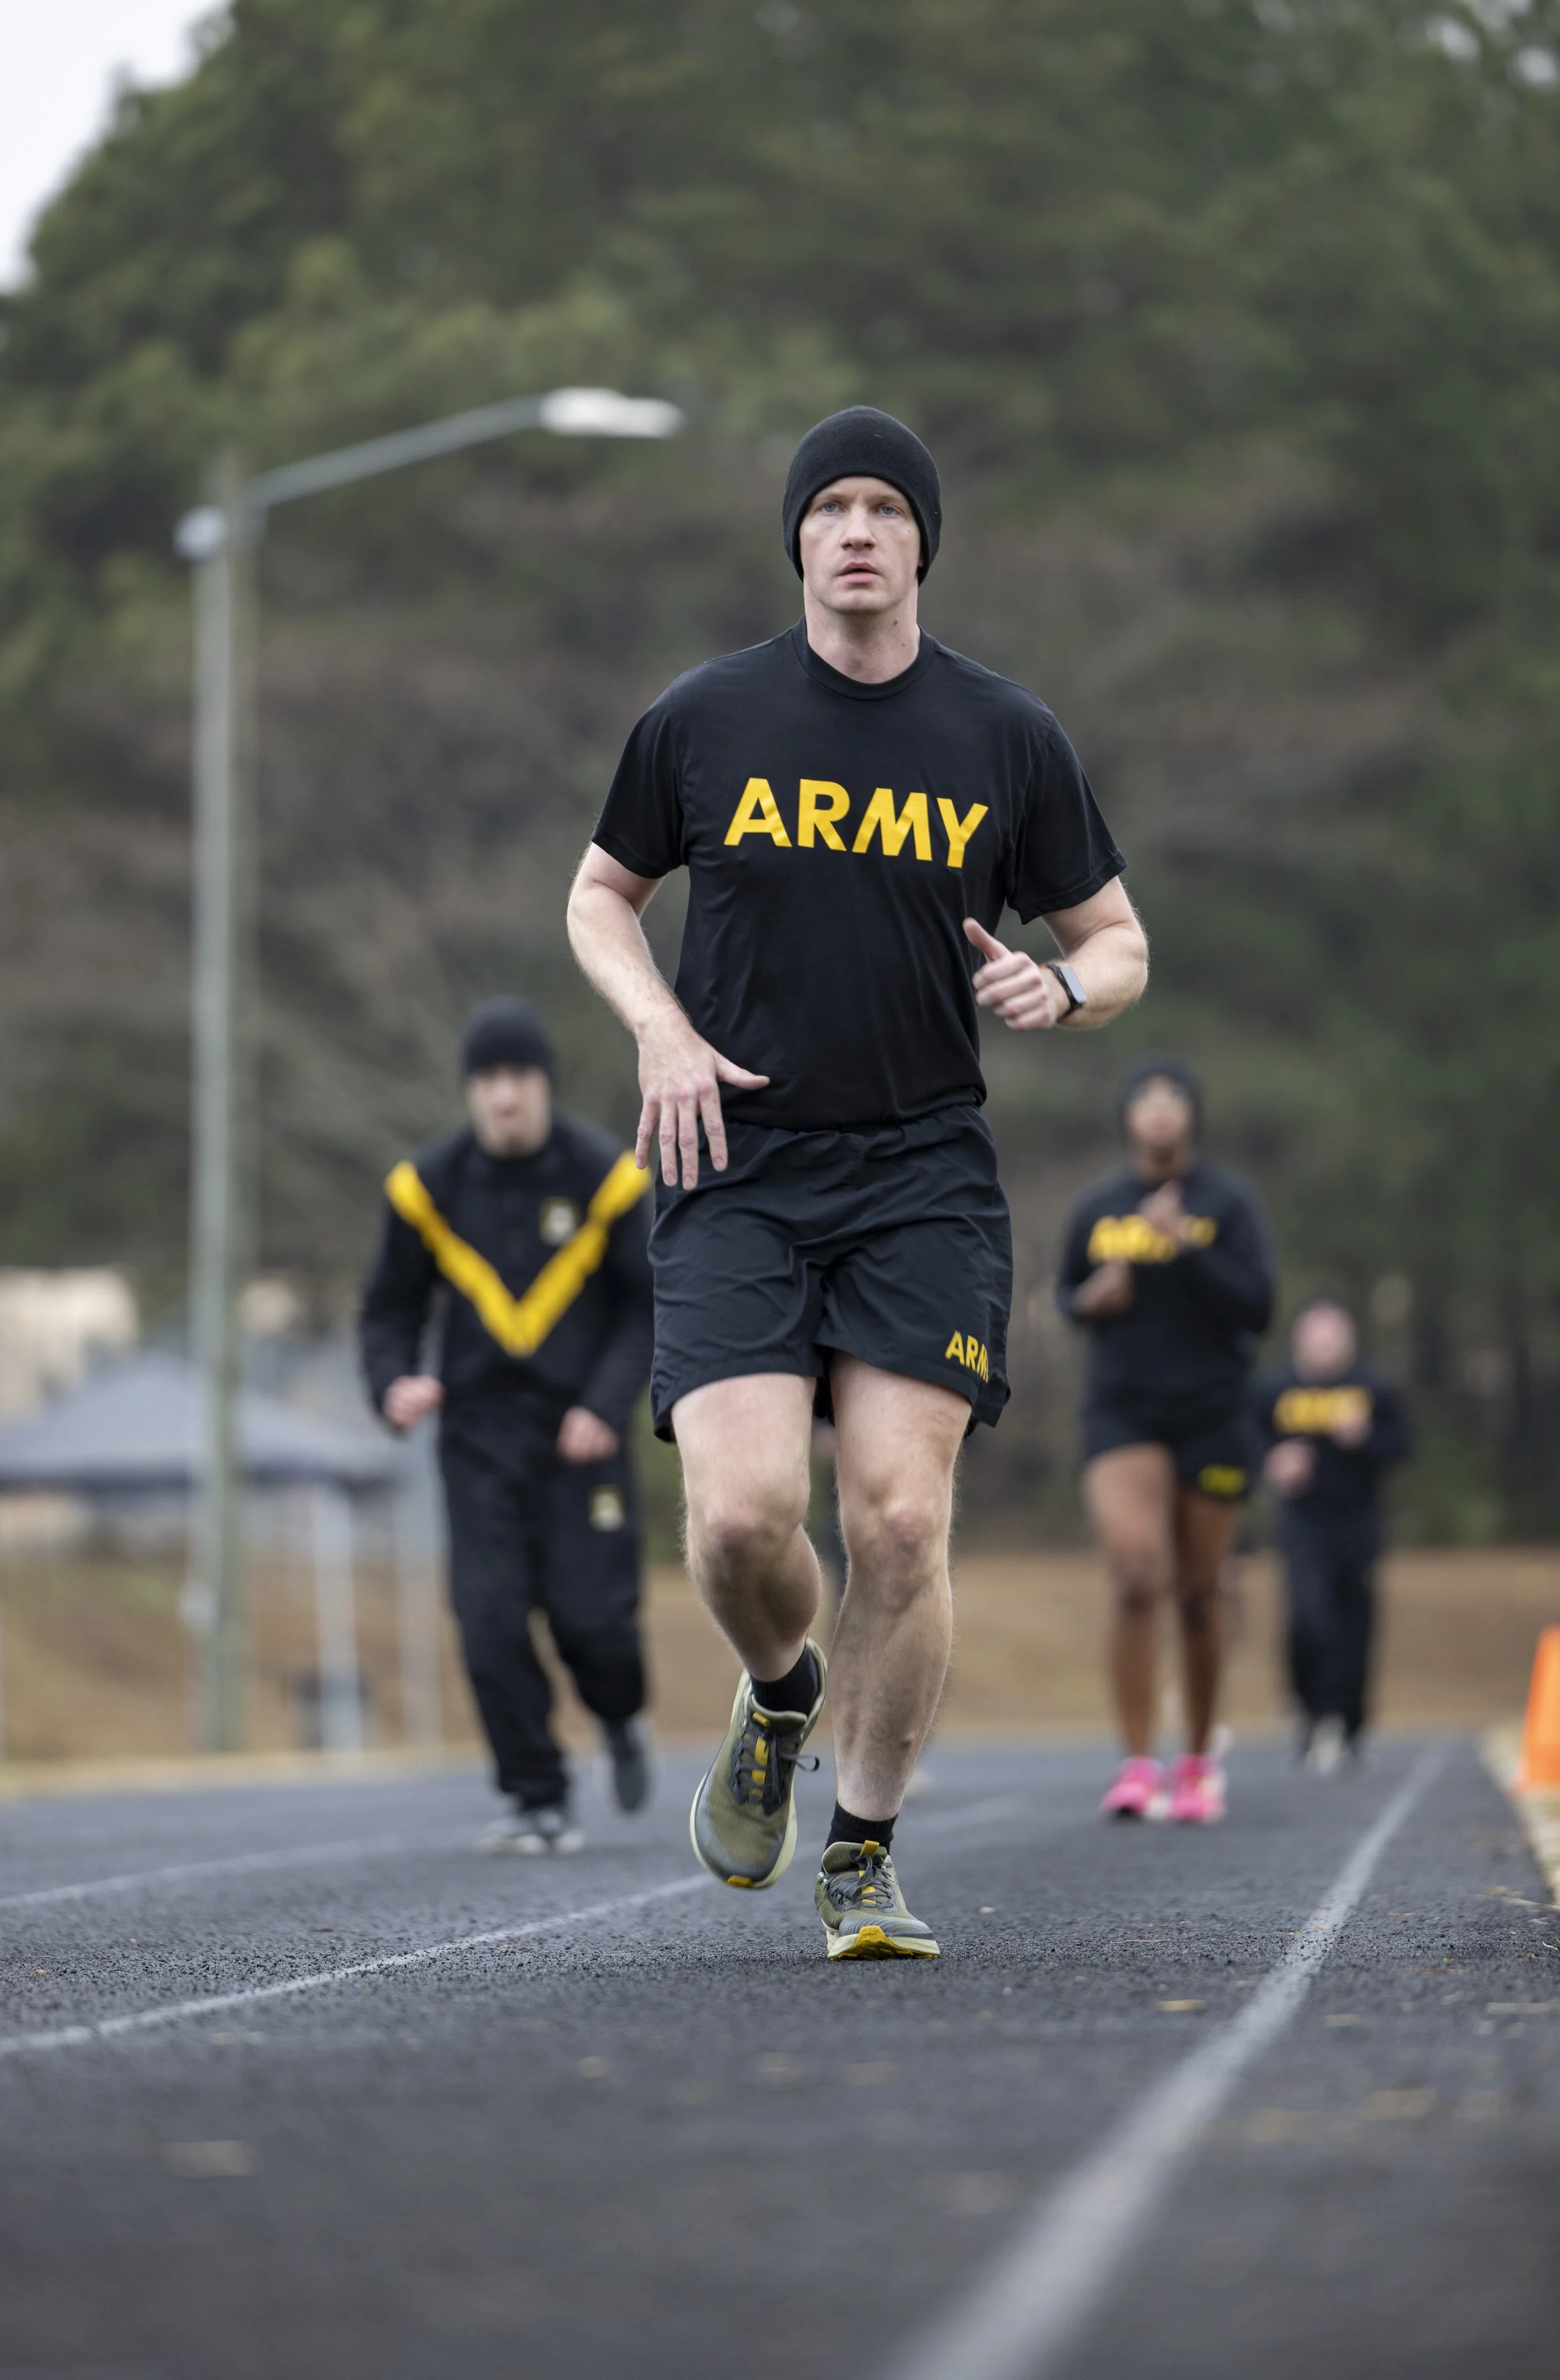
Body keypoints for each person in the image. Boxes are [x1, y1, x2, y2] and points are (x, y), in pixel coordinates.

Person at [567, 406, 1147, 1958]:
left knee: (897, 1525)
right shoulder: (705, 718)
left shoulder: (1002, 735)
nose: (859, 530)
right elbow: (600, 894)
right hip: (735, 1162)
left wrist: (1067, 990)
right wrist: (660, 1030)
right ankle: (781, 1694)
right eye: (832, 507)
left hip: (919, 1176)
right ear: (799, 541)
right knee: (746, 1520)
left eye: (888, 506)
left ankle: (863, 1852)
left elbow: (1118, 938)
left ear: (921, 542)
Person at [359, 996, 654, 1852]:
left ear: (544, 1085)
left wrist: (604, 1406)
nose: (503, 1097)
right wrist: (392, 1386)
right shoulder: (427, 1188)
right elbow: (386, 1311)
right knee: (489, 1622)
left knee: (591, 1622)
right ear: (469, 1091)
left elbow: (646, 1309)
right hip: (478, 1437)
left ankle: (619, 1717)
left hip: (579, 1436)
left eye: (518, 1078)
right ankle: (537, 1797)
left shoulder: (608, 1178)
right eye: (487, 1080)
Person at [1058, 1057, 1275, 1824]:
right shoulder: (1098, 1206)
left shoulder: (1227, 1203)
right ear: (1126, 1118)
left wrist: (1187, 1245)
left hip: (1214, 1412)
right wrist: (1096, 1295)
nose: (1157, 1111)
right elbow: (1066, 1300)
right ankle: (1136, 1763)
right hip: (1124, 1411)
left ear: (1190, 1116)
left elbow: (1258, 1307)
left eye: (1171, 1098)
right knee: (1132, 1574)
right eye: (1143, 1099)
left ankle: (1195, 1761)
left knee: (1198, 1593)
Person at [1253, 1297, 1411, 1770]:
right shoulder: (1274, 1388)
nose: (1324, 1349)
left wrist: (1364, 1439)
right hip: (1302, 1523)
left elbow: (1402, 1446)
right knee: (1307, 1617)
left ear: (1349, 1341)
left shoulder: (1373, 1387)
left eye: (1333, 1339)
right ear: (1300, 1340)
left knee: (1354, 1622)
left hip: (1358, 1521)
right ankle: (1309, 1708)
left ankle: (1350, 1723)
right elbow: (1248, 1439)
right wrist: (1273, 1463)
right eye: (1315, 1339)